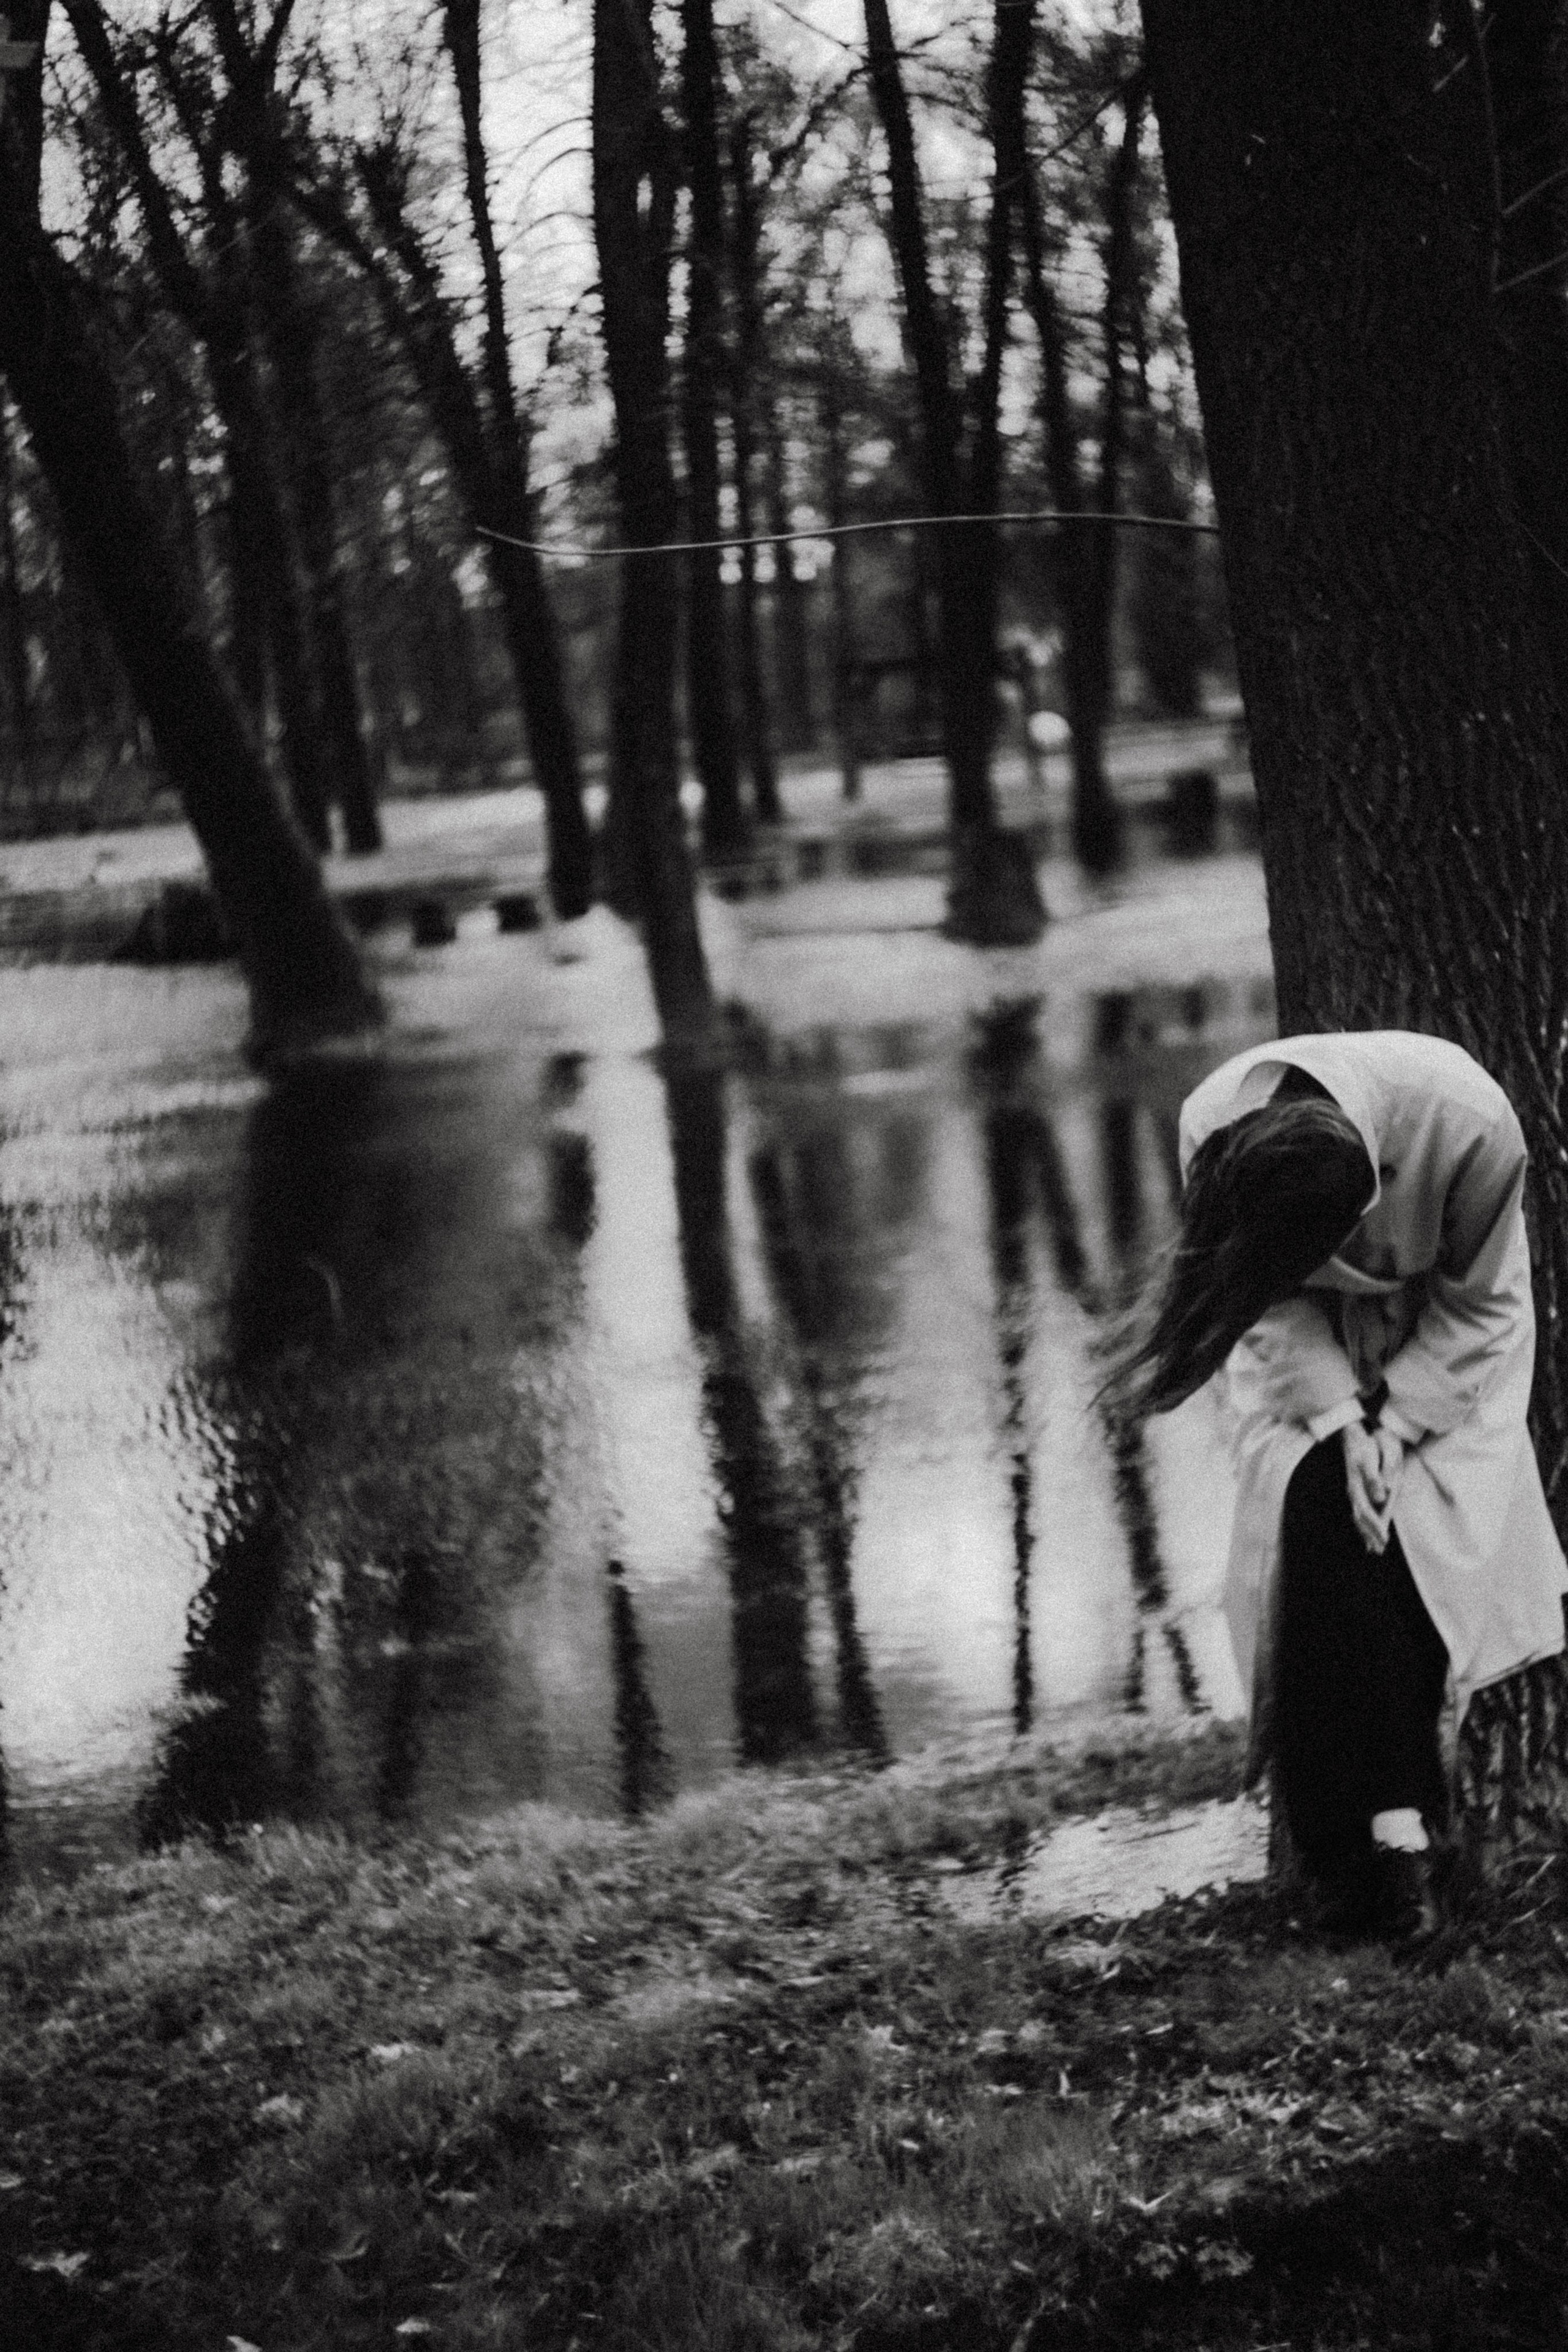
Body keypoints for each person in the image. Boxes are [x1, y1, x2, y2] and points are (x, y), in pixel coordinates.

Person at [1111, 1029, 1567, 1941]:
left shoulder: (1470, 1121)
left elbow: (1483, 1299)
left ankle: (1403, 1835)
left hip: (1450, 1344)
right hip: (1298, 1352)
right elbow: (1262, 1296)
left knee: (1415, 1549)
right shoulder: (1214, 1123)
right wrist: (1338, 1425)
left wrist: (1396, 1426)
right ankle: (1339, 1849)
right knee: (1315, 1521)